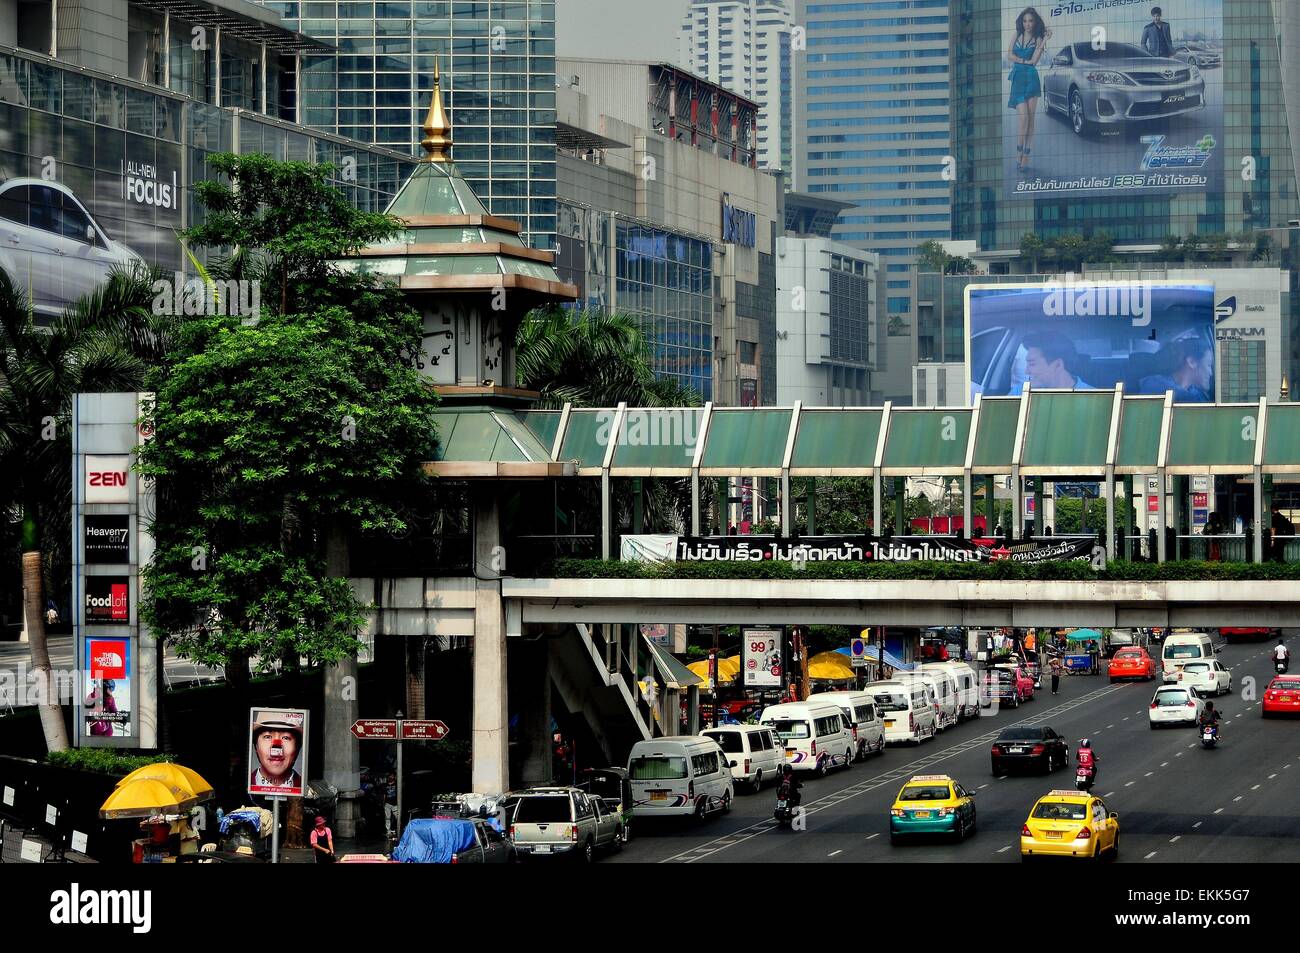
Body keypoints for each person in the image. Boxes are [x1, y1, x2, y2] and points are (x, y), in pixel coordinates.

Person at [1006, 7, 1052, 174]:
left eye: (1031, 21)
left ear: (1035, 22)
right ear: (1022, 22)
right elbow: (1009, 55)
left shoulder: (1038, 38)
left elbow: (1035, 60)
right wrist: (1023, 61)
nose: (1027, 24)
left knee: (1031, 119)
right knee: (1023, 118)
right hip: (1018, 79)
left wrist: (1045, 39)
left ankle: (1026, 156)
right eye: (1025, 21)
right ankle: (1019, 152)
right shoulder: (1016, 35)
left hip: (1031, 79)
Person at [1138, 338, 1214, 403]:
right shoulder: (1154, 386)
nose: (1211, 373)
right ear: (1191, 362)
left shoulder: (1197, 393)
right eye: (1208, 365)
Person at [249, 712, 304, 792]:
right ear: (256, 746)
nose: (276, 746)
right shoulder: (239, 790)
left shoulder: (309, 791)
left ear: (297, 748)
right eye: (267, 737)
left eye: (286, 738)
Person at [1023, 333, 1097, 390]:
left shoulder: (1095, 400)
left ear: (1058, 365)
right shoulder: (1019, 392)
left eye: (1032, 364)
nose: (1026, 371)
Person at [383, 772, 399, 838]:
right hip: (387, 803)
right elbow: (384, 794)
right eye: (390, 776)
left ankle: (398, 829)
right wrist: (383, 802)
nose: (390, 777)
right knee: (387, 818)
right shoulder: (385, 785)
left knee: (397, 817)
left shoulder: (397, 784)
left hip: (395, 803)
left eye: (392, 776)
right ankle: (388, 831)